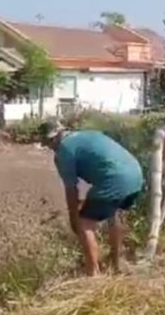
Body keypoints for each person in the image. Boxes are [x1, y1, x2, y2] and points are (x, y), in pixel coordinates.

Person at [38, 118, 144, 276]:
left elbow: (71, 190)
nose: (50, 148)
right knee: (113, 215)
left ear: (54, 138)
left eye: (48, 143)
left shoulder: (64, 151)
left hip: (113, 179)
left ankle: (93, 274)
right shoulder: (87, 134)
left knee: (84, 223)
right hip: (135, 174)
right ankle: (116, 263)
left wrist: (73, 218)